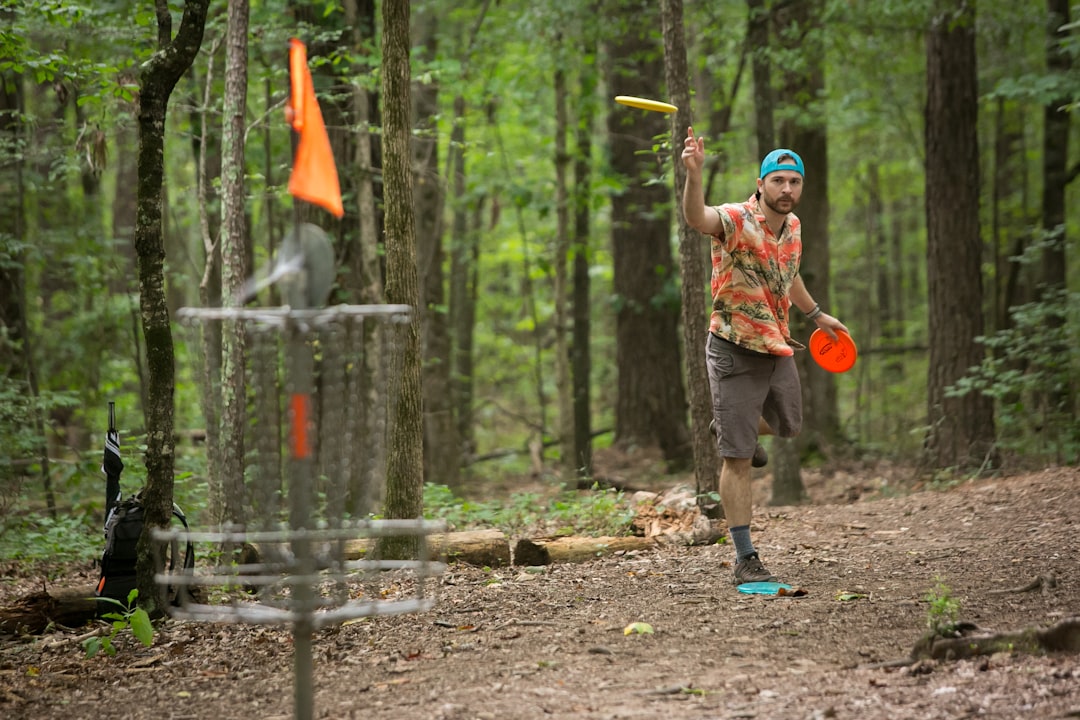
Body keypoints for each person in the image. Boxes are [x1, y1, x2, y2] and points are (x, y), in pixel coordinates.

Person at [680, 128, 848, 585]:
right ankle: (744, 556)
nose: (787, 189)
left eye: (794, 182)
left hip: (776, 345)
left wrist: (816, 315)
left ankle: (731, 421)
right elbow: (698, 218)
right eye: (778, 181)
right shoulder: (737, 219)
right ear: (761, 184)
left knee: (789, 424)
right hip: (734, 347)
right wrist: (694, 174)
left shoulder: (793, 227)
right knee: (737, 457)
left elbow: (788, 275)